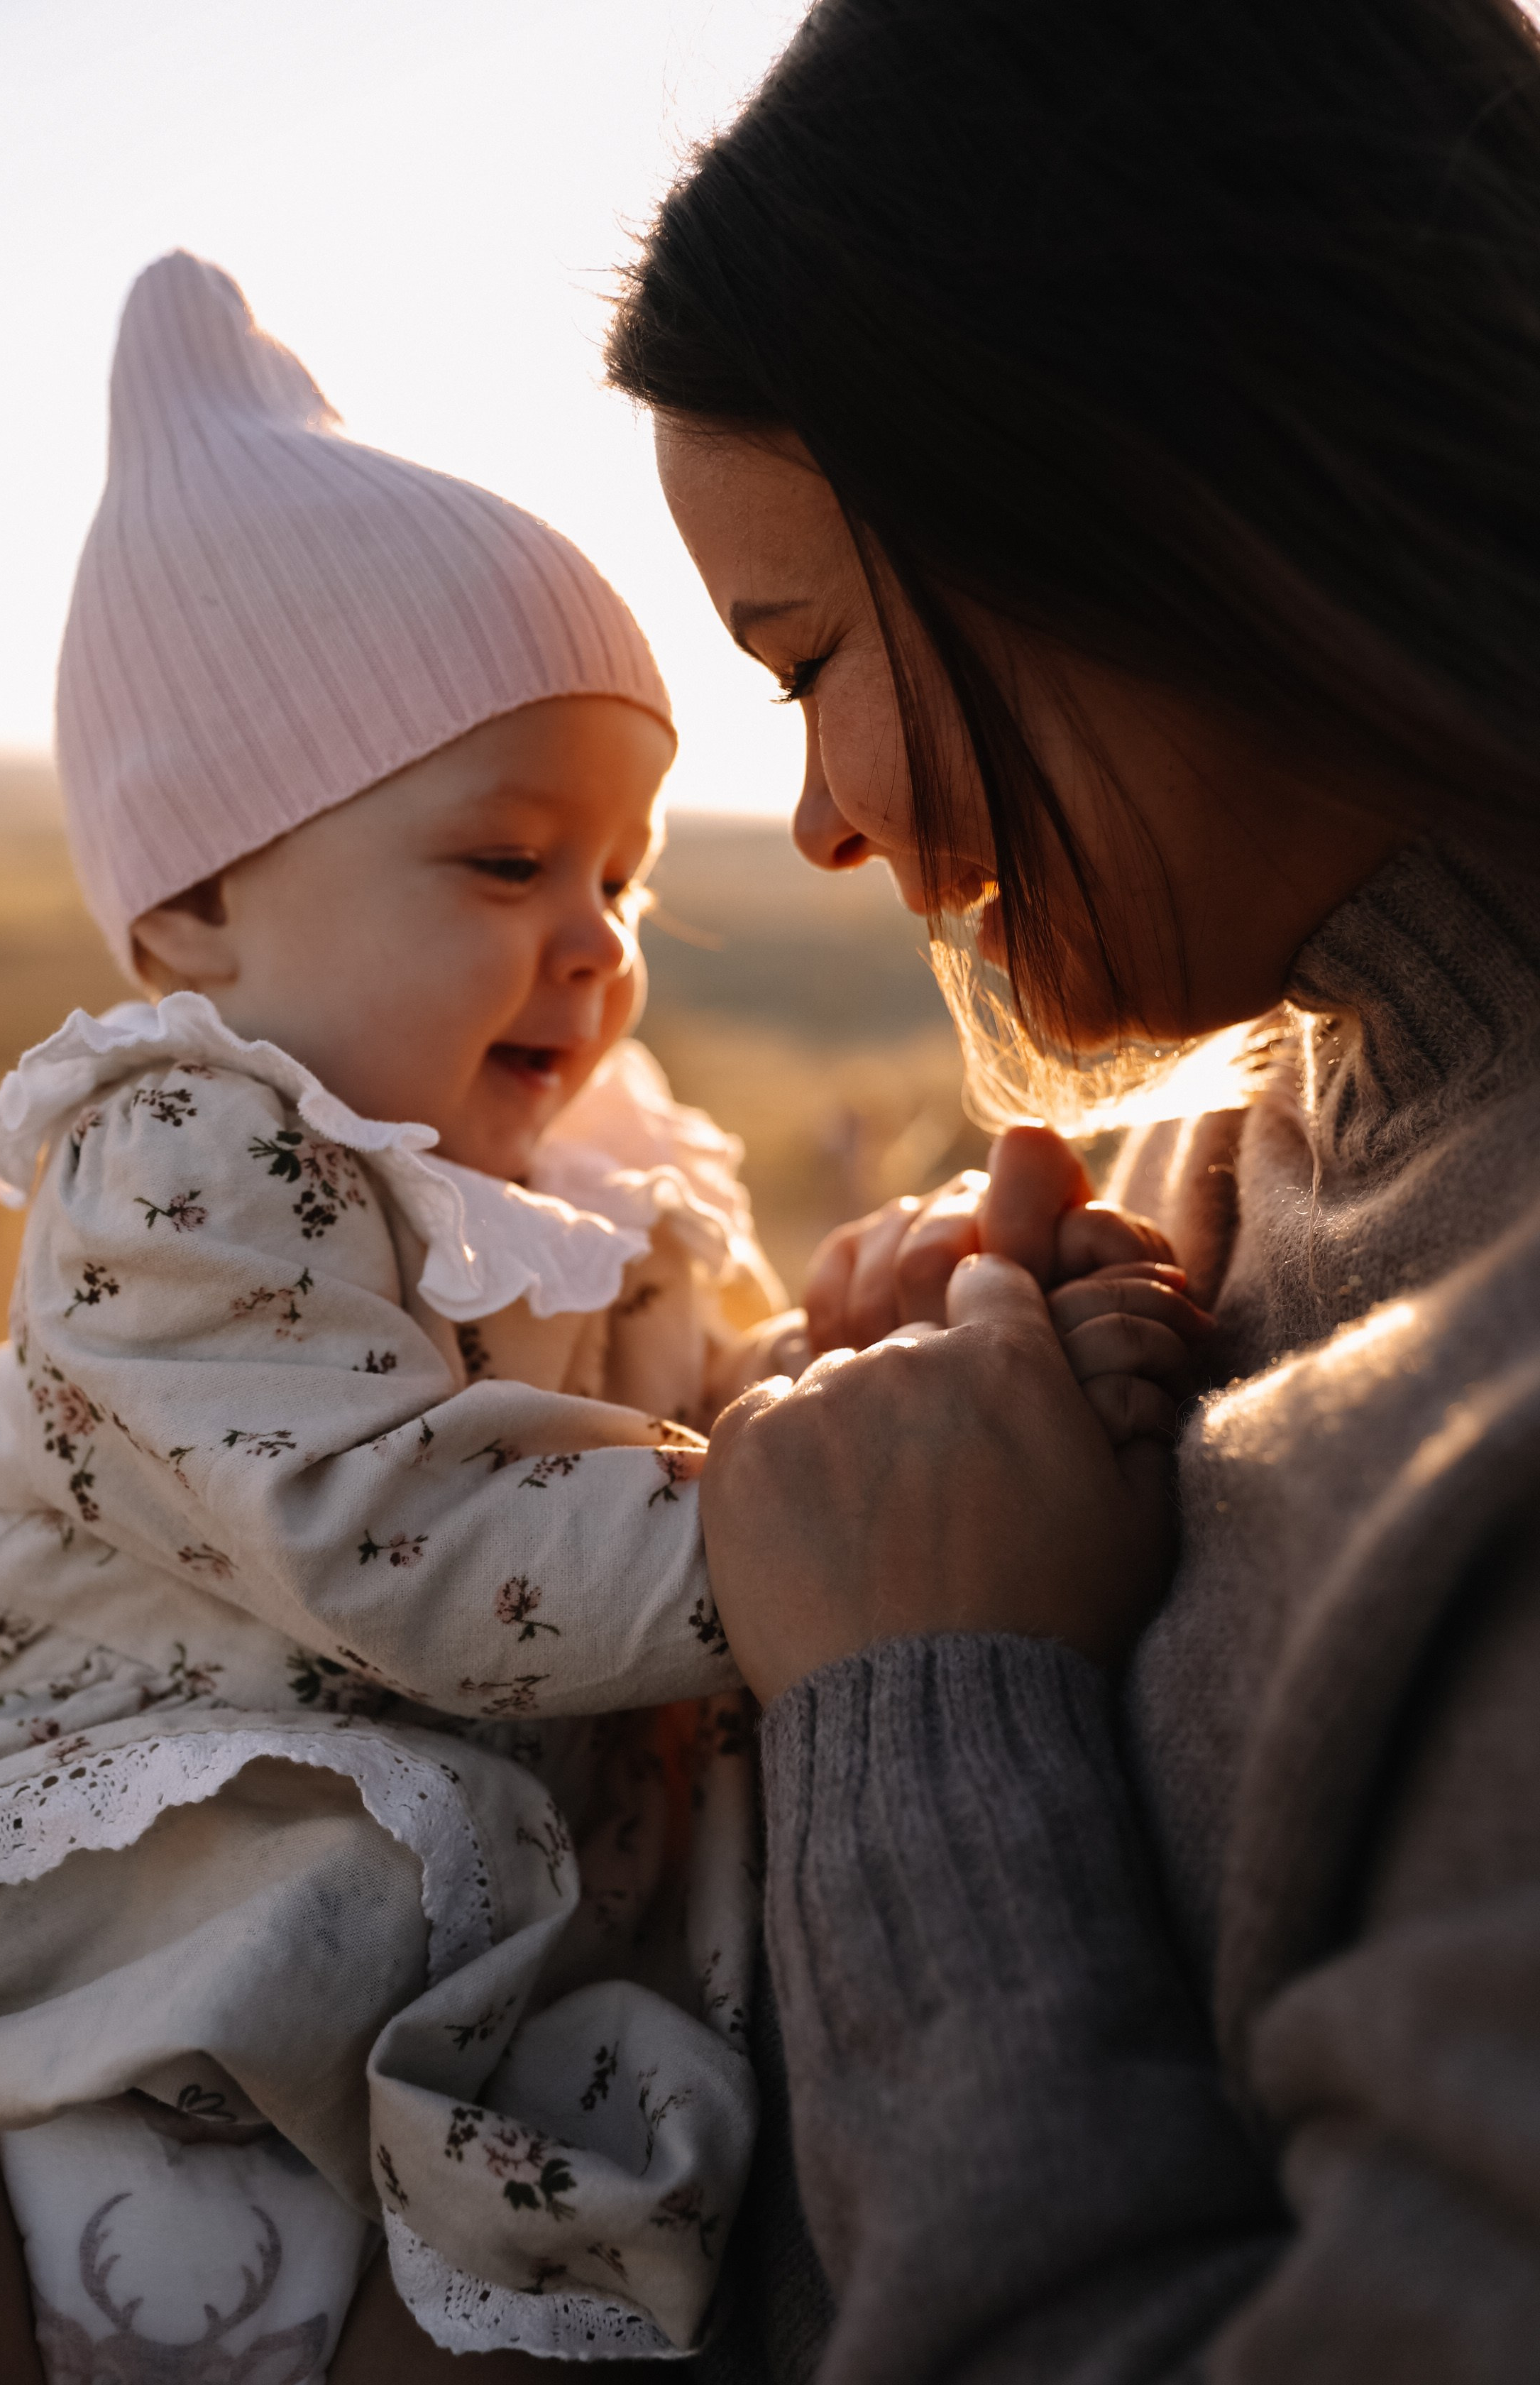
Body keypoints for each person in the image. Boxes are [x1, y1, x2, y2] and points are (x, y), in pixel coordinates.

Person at [0, 254, 1185, 2379]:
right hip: (197, 1811)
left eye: (616, 875)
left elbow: (682, 1420)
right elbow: (396, 1531)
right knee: (338, 2042)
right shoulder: (182, 1163)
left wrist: (886, 1363)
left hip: (474, 1826)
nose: (595, 945)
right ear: (196, 909)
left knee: (582, 2161)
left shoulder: (594, 1161)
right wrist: (839, 1524)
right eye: (507, 862)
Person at [603, 0, 1540, 2376]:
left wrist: (921, 1707)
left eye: (804, 651)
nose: (815, 818)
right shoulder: (1172, 1185)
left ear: (1145, 488)